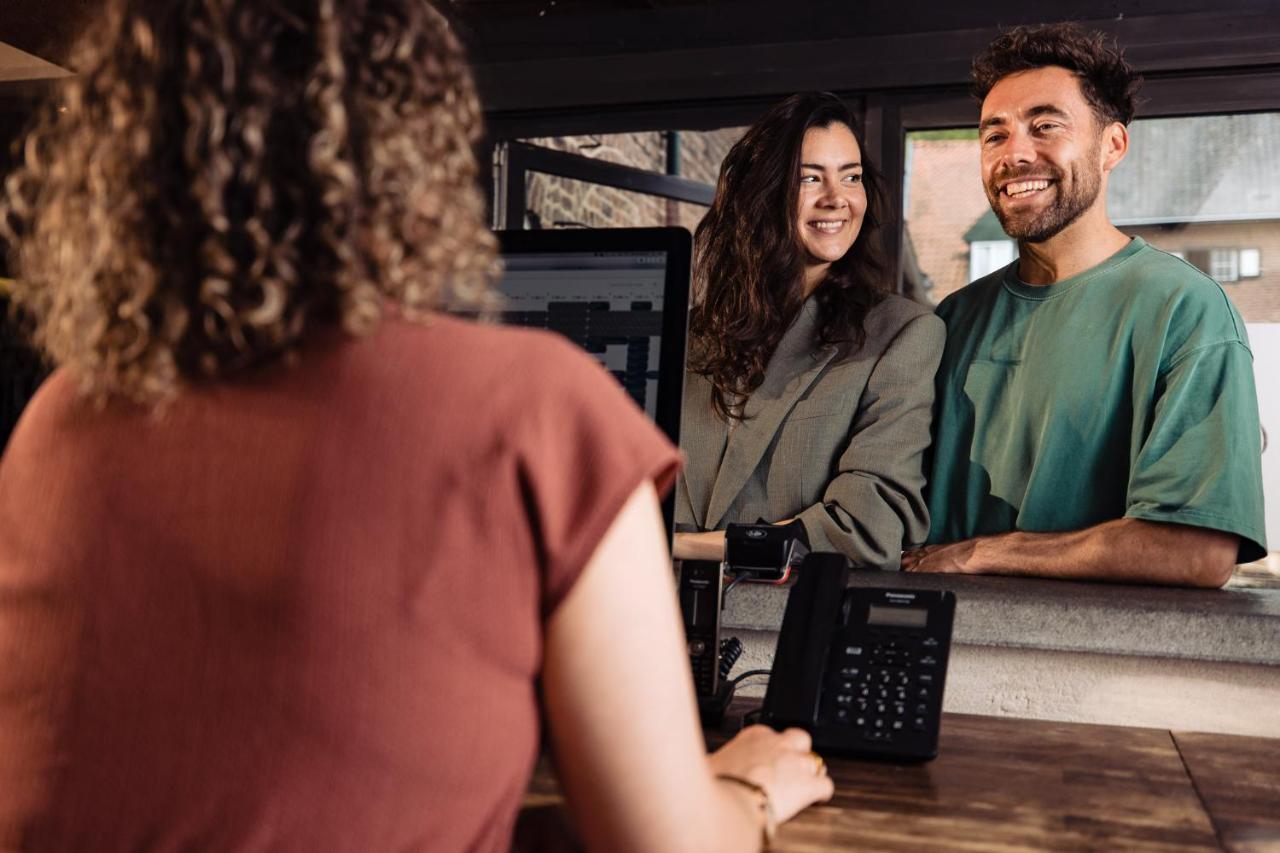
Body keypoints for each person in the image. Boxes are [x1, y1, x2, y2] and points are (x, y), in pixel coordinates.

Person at [0, 1, 832, 850]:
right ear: (415, 148)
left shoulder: (58, 422)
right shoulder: (538, 409)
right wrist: (742, 785)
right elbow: (668, 843)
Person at [903, 23, 1267, 587]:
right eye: (994, 135)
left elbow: (1198, 550)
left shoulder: (1185, 311)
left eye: (1045, 126)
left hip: (1087, 662)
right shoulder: (951, 320)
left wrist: (984, 553)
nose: (1015, 154)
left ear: (1113, 145)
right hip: (933, 647)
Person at [673, 93, 945, 571]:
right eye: (810, 177)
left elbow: (864, 529)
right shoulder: (687, 333)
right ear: (761, 192)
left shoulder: (899, 335)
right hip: (650, 621)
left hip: (784, 628)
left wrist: (679, 547)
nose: (837, 198)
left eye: (852, 176)